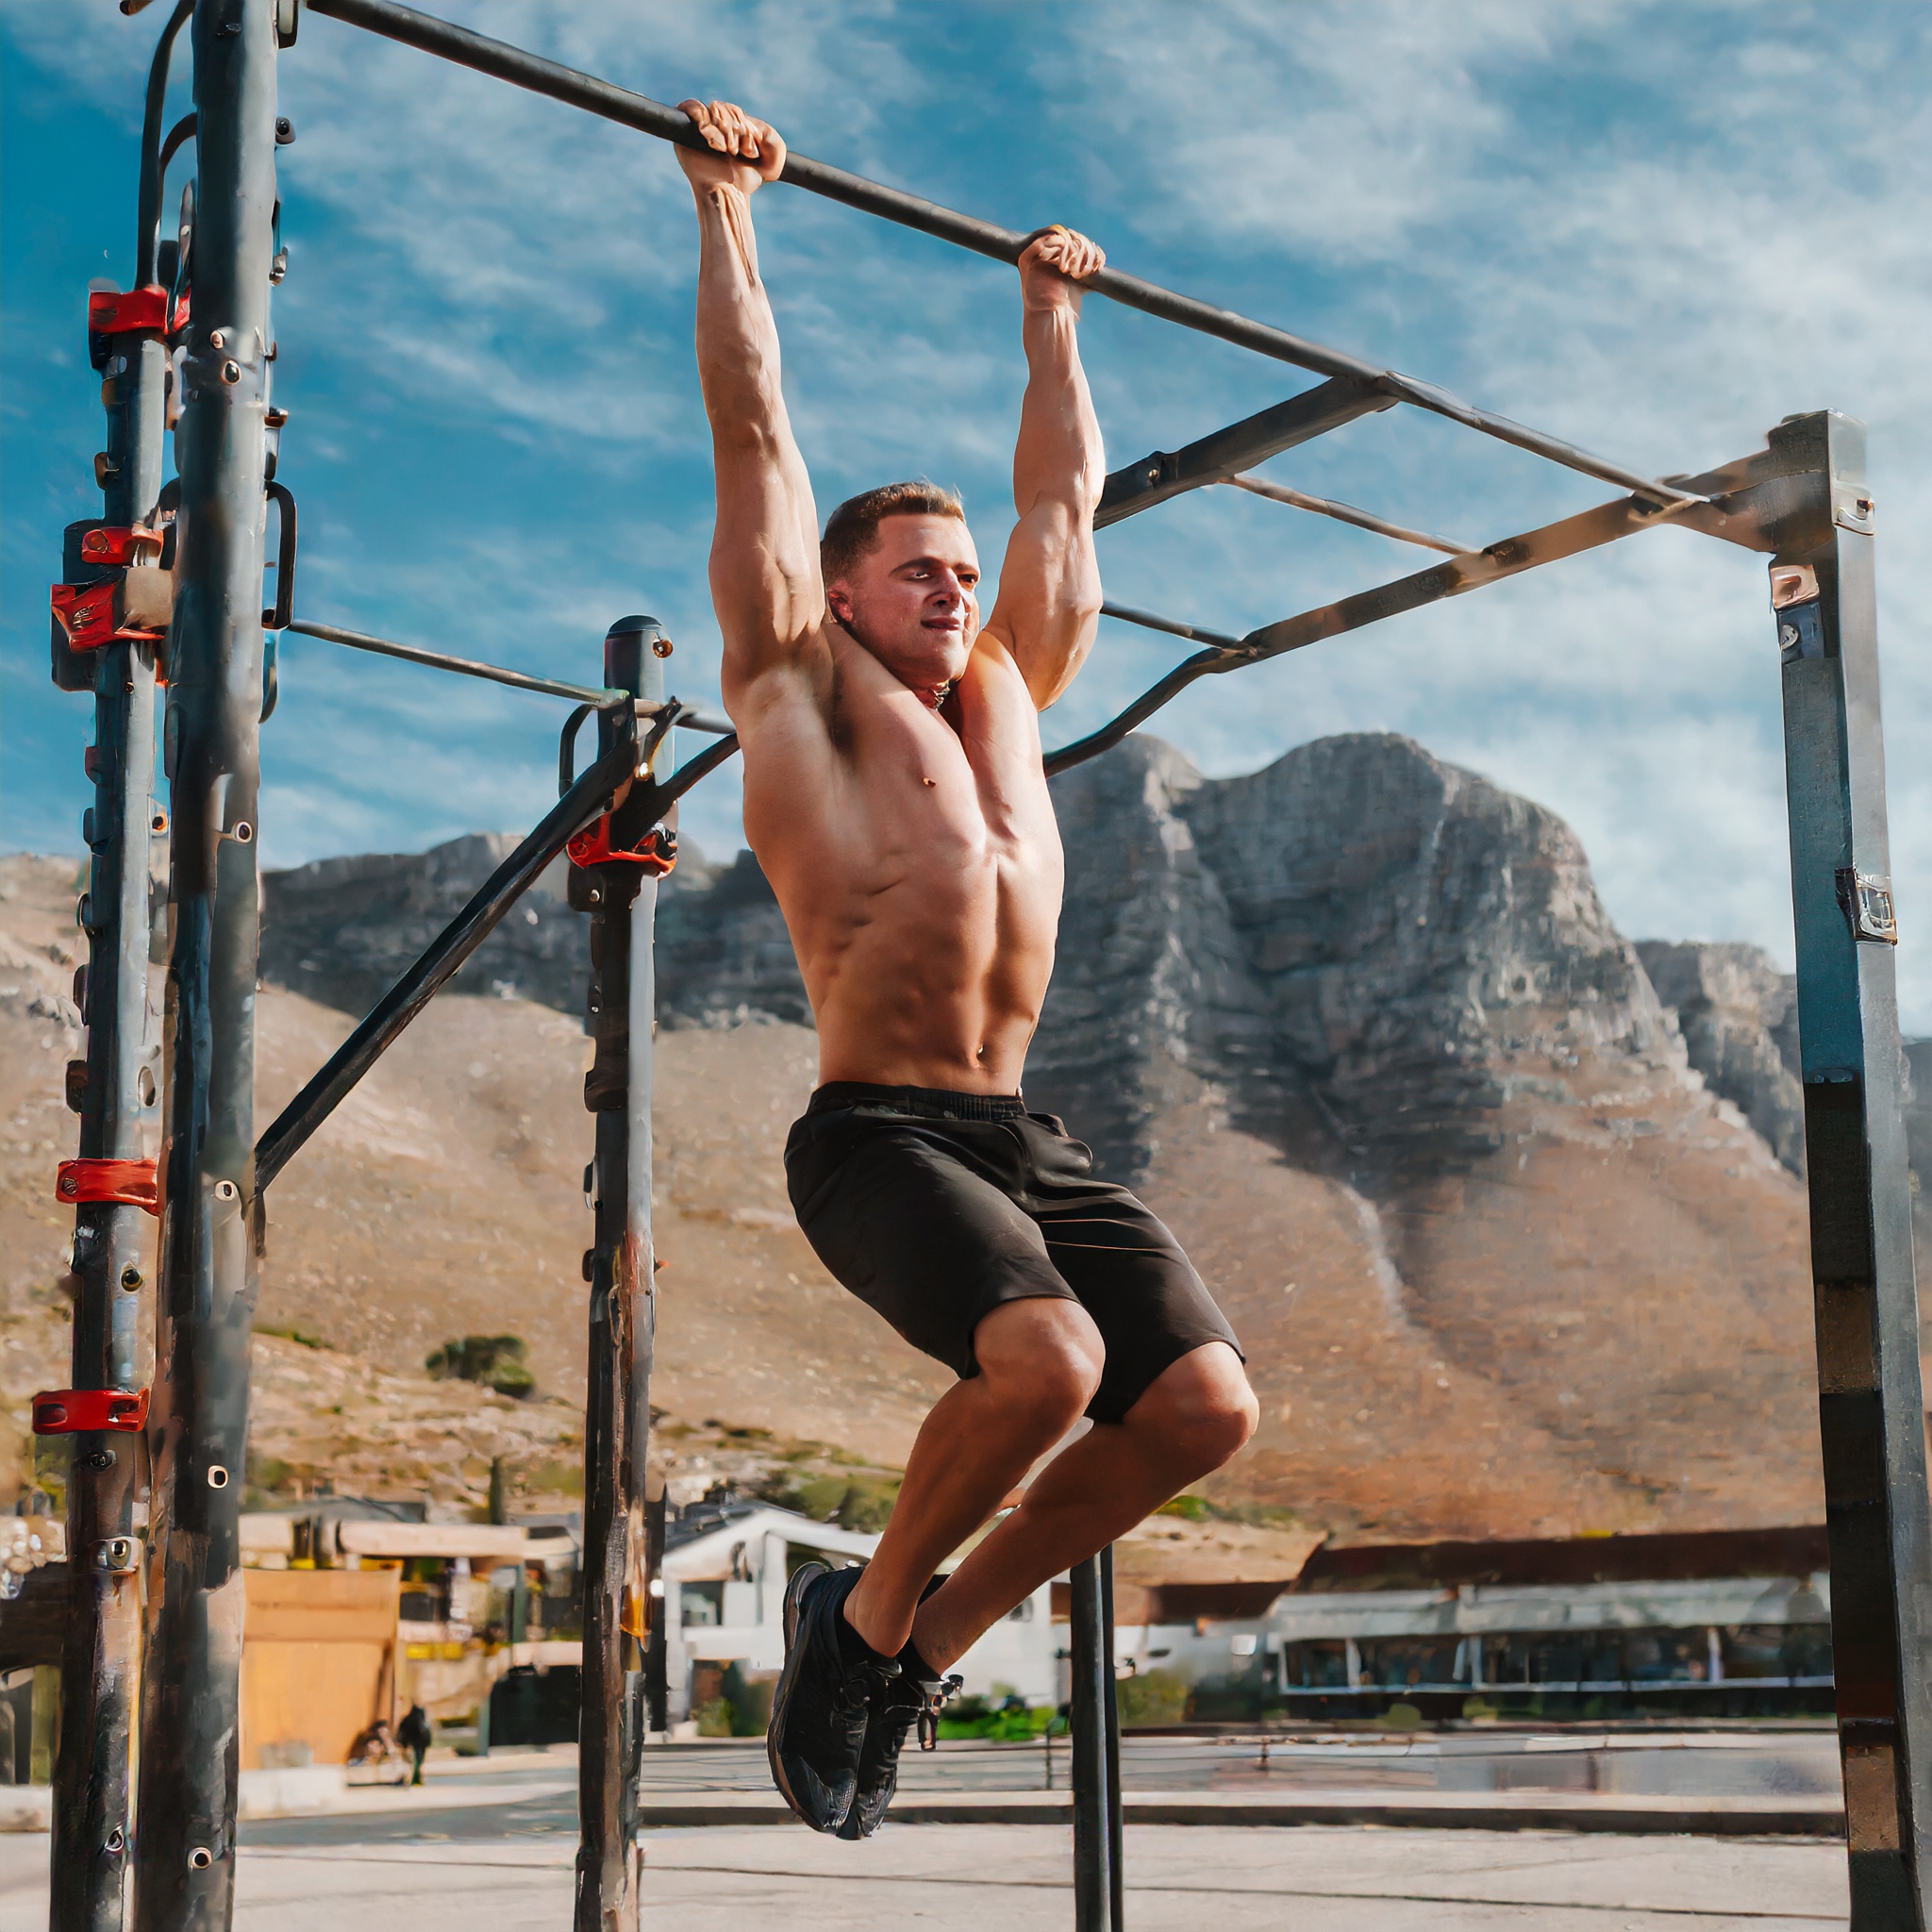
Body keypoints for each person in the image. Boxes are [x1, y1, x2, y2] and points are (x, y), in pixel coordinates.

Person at [674, 98, 1259, 1840]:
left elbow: (1059, 498)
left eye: (954, 570)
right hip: (874, 1133)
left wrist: (1051, 315)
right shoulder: (796, 690)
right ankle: (845, 1633)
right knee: (1044, 1366)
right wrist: (725, 210)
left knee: (1204, 1406)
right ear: (838, 595)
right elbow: (753, 430)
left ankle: (923, 1635)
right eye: (913, 572)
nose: (949, 589)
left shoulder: (1012, 687)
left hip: (1019, 1129)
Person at [395, 1703, 431, 1788]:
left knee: (413, 1763)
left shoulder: (407, 1719)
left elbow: (400, 1732)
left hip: (410, 1744)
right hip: (418, 1746)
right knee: (417, 1762)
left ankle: (415, 1778)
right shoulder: (422, 1721)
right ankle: (416, 1778)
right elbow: (426, 1735)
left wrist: (402, 1743)